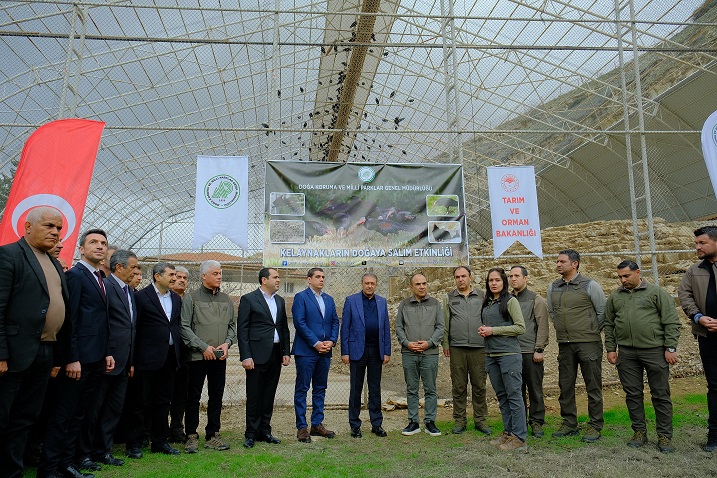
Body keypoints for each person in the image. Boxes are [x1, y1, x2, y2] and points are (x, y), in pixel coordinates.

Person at [0, 207, 69, 478]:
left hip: (44, 353)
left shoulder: (53, 263)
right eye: (49, 226)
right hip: (13, 355)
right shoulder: (8, 255)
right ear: (28, 227)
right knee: (3, 418)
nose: (55, 232)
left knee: (25, 419)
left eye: (59, 228)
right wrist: (1, 354)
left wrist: (57, 358)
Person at [38, 228, 113, 478]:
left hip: (95, 359)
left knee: (78, 414)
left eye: (103, 243)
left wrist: (106, 352)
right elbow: (70, 321)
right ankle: (49, 469)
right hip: (78, 360)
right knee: (63, 415)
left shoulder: (99, 277)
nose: (99, 246)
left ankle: (67, 463)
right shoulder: (76, 276)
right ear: (81, 249)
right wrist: (72, 358)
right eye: (93, 242)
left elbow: (99, 320)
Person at [606, 260, 680, 453]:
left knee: (660, 394)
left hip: (654, 351)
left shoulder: (656, 293)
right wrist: (611, 348)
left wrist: (670, 347)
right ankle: (639, 432)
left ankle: (664, 436)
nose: (623, 280)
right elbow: (609, 324)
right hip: (627, 353)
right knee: (632, 394)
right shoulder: (615, 296)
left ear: (638, 272)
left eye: (626, 276)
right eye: (620, 277)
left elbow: (671, 322)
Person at [77, 250, 138, 467]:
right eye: (133, 267)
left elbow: (130, 327)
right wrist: (107, 352)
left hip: (124, 360)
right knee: (94, 409)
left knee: (113, 409)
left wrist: (131, 360)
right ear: (119, 267)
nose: (136, 271)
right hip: (107, 359)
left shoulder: (129, 291)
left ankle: (103, 451)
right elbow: (103, 323)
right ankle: (84, 453)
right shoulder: (106, 287)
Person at [546, 249, 606, 442]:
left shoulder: (590, 285)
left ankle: (595, 425)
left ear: (575, 264)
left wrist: (590, 331)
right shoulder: (553, 287)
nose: (558, 264)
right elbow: (552, 313)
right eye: (557, 261)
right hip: (565, 344)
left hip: (589, 344)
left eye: (562, 261)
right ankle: (569, 423)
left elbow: (602, 312)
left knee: (593, 386)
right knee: (565, 385)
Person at [125, 262, 182, 458]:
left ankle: (160, 442)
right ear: (158, 276)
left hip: (169, 358)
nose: (175, 278)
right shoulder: (141, 297)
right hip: (146, 359)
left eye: (175, 274)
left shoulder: (176, 298)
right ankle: (134, 443)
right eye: (171, 275)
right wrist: (132, 360)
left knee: (163, 401)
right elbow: (134, 329)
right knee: (139, 402)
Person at [180, 260, 236, 453]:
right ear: (204, 276)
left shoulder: (226, 299)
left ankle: (213, 435)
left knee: (216, 396)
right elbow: (184, 327)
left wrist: (227, 344)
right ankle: (191, 435)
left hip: (219, 358)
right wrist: (203, 347)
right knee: (193, 397)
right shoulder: (191, 299)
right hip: (197, 358)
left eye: (220, 273)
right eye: (215, 273)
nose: (219, 276)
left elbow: (232, 326)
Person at [237, 267, 291, 448]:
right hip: (256, 355)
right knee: (254, 395)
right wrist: (246, 356)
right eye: (275, 277)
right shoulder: (249, 299)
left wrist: (286, 352)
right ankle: (251, 433)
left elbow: (284, 328)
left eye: (279, 277)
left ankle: (265, 431)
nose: (278, 280)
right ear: (264, 280)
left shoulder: (280, 301)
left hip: (275, 354)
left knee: (269, 394)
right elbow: (242, 330)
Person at [678, 225, 717, 452]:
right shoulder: (694, 271)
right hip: (708, 337)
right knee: (714, 386)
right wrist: (698, 317)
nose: (697, 247)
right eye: (696, 243)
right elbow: (685, 295)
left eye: (702, 243)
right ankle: (714, 435)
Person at [480, 267, 527, 452]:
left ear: (504, 282)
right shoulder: (487, 303)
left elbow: (520, 327)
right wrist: (484, 330)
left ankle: (520, 438)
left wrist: (493, 331)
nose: (493, 283)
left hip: (508, 355)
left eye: (497, 280)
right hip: (491, 356)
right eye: (490, 280)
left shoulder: (510, 301)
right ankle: (508, 432)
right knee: (502, 396)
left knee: (514, 395)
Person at [441, 266, 492, 435]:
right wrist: (445, 344)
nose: (461, 279)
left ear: (470, 277)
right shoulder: (449, 298)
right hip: (457, 348)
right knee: (459, 386)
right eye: (457, 277)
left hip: (479, 347)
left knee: (479, 385)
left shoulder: (482, 296)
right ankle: (460, 420)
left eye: (463, 276)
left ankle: (480, 420)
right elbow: (445, 322)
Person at [292, 267, 339, 443]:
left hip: (325, 351)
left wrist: (331, 341)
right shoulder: (301, 297)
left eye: (323, 277)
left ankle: (317, 424)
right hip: (306, 351)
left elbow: (335, 322)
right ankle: (302, 427)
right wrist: (316, 343)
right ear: (309, 279)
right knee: (302, 389)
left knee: (320, 388)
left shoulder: (329, 299)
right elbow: (300, 323)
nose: (321, 279)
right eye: (318, 276)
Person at [341, 273, 391, 438]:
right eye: (367, 283)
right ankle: (355, 425)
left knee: (375, 389)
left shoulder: (382, 302)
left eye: (372, 283)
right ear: (362, 284)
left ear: (376, 285)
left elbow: (385, 328)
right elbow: (345, 327)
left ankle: (377, 424)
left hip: (376, 351)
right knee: (356, 389)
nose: (369, 286)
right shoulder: (351, 301)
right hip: (357, 351)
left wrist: (387, 351)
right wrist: (345, 351)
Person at [395, 273, 444, 437]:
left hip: (430, 353)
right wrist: (407, 343)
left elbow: (440, 327)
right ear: (411, 287)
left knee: (430, 389)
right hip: (409, 353)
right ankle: (413, 422)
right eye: (418, 284)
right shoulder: (404, 305)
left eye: (424, 283)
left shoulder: (435, 304)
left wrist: (429, 343)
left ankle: (430, 422)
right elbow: (399, 327)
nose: (422, 287)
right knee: (412, 388)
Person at [509, 265, 549, 438]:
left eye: (517, 276)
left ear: (526, 278)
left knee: (534, 389)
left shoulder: (536, 299)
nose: (513, 279)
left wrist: (539, 349)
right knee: (516, 390)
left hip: (530, 352)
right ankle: (519, 422)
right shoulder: (507, 299)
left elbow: (542, 326)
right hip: (511, 352)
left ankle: (537, 421)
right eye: (511, 276)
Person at [168, 266, 190, 444]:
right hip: (166, 354)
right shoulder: (164, 299)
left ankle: (176, 429)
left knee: (181, 394)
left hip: (185, 355)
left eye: (185, 278)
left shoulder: (189, 301)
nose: (181, 280)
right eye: (178, 276)